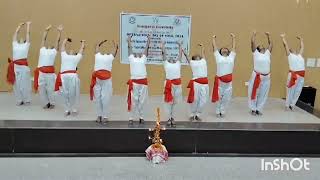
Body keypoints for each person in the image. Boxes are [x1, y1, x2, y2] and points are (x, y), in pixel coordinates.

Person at [34, 25, 63, 109]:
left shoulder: (54, 51)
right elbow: (43, 39)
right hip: (41, 73)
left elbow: (57, 41)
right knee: (41, 89)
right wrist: (46, 31)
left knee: (50, 89)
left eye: (52, 45)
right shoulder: (42, 49)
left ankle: (52, 102)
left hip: (50, 74)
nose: (50, 44)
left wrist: (59, 31)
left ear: (54, 48)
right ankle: (46, 103)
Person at [55, 38, 85, 116]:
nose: (71, 50)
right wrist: (66, 39)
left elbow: (81, 50)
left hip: (72, 76)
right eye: (70, 50)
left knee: (73, 94)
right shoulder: (64, 55)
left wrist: (83, 43)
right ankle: (67, 109)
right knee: (65, 94)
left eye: (73, 51)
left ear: (75, 54)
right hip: (63, 76)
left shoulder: (76, 58)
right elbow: (63, 46)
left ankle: (74, 109)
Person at [90, 39, 118, 123]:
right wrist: (100, 42)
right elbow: (96, 47)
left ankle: (105, 116)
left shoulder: (110, 57)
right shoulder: (98, 55)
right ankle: (99, 115)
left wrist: (114, 45)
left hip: (107, 79)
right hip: (97, 79)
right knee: (97, 98)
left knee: (105, 98)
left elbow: (114, 50)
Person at [126, 34, 151, 125]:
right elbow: (130, 49)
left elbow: (146, 48)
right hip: (134, 82)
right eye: (135, 52)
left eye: (140, 52)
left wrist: (148, 40)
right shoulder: (131, 58)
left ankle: (141, 117)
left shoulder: (143, 59)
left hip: (143, 82)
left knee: (142, 100)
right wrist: (129, 40)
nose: (138, 52)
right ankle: (131, 117)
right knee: (133, 100)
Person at [7, 22, 32, 105]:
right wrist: (19, 26)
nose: (21, 38)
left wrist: (28, 25)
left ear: (25, 41)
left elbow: (28, 34)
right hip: (15, 67)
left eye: (23, 38)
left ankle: (27, 99)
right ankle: (19, 100)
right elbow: (15, 34)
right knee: (16, 84)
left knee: (25, 84)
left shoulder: (26, 45)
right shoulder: (15, 44)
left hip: (24, 67)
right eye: (19, 38)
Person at [211, 33, 236, 117]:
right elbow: (214, 47)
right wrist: (213, 38)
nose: (224, 49)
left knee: (226, 98)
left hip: (229, 82)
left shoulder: (231, 57)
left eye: (226, 49)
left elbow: (233, 47)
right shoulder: (218, 57)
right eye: (223, 49)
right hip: (219, 81)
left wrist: (233, 38)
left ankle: (223, 110)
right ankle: (218, 111)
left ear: (228, 52)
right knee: (219, 97)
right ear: (220, 52)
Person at [248, 31, 272, 116]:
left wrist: (268, 36)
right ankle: (253, 109)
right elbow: (252, 42)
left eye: (263, 46)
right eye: (260, 46)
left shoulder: (267, 53)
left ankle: (259, 109)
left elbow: (271, 44)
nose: (262, 46)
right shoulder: (256, 53)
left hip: (267, 77)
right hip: (257, 76)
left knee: (263, 93)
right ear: (257, 49)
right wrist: (254, 35)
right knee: (253, 92)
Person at [182, 44, 209, 121]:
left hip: (204, 83)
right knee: (195, 99)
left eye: (199, 55)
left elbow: (203, 53)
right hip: (196, 83)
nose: (198, 55)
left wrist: (202, 47)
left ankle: (198, 114)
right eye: (196, 56)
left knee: (203, 101)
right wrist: (183, 50)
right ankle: (191, 114)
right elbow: (187, 56)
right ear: (193, 58)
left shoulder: (203, 61)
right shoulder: (192, 63)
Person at [160, 40, 183, 127]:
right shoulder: (166, 63)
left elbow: (180, 54)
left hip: (178, 84)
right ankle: (168, 118)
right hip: (169, 85)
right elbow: (164, 54)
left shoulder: (178, 63)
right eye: (170, 58)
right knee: (168, 102)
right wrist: (162, 45)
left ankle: (173, 117)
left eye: (174, 58)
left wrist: (180, 45)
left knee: (176, 102)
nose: (172, 58)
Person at [280, 34, 305, 111]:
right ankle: (287, 105)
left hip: (301, 76)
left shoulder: (299, 56)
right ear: (290, 51)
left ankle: (292, 105)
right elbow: (286, 45)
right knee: (290, 90)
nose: (293, 49)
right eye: (291, 49)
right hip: (293, 75)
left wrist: (301, 40)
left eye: (293, 49)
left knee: (298, 91)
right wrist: (283, 38)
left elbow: (302, 47)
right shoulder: (290, 55)